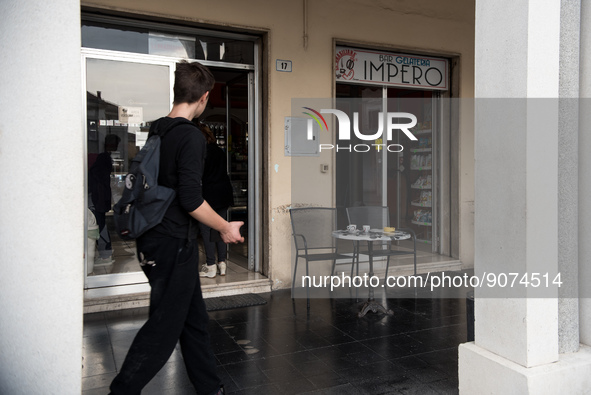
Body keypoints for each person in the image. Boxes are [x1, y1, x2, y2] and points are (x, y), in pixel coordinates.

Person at [109, 60, 243, 395]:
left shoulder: (158, 130)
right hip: (172, 244)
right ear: (204, 98)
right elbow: (191, 199)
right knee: (164, 327)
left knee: (193, 320)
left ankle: (210, 387)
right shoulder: (190, 137)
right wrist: (225, 227)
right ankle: (121, 391)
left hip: (153, 239)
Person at [198, 124, 234, 278]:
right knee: (221, 228)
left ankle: (211, 265)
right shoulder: (220, 151)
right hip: (224, 192)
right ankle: (222, 262)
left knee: (206, 229)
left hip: (209, 193)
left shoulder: (201, 152)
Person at [88, 133, 121, 264]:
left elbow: (97, 179)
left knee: (98, 223)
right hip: (99, 196)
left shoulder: (100, 157)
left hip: (96, 196)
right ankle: (105, 251)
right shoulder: (105, 158)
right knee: (99, 223)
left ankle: (105, 253)